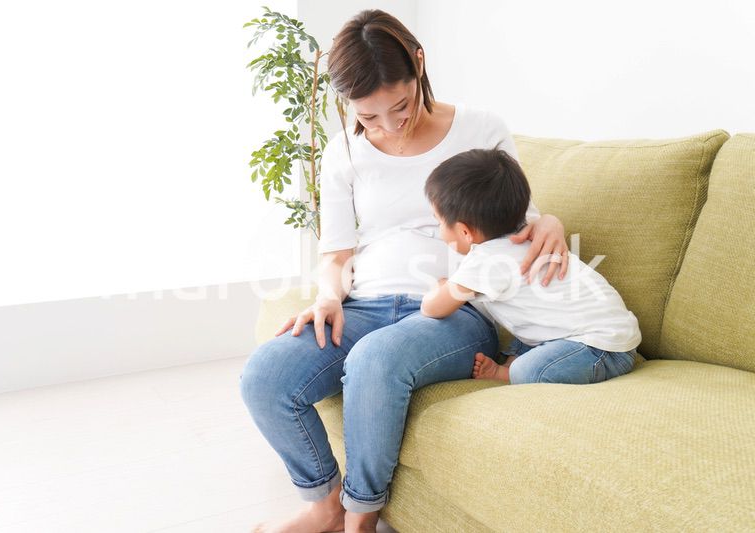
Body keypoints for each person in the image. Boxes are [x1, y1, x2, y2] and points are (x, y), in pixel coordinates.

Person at [239, 9, 571, 533]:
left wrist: (549, 219)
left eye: (400, 105)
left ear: (419, 64)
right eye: (368, 117)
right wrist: (328, 298)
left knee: (375, 360)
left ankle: (359, 518)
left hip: (453, 315)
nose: (390, 127)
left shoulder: (481, 128)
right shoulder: (343, 149)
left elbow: (518, 218)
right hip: (364, 306)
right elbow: (337, 253)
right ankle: (322, 507)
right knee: (266, 376)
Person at [421, 148, 641, 385]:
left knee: (529, 371)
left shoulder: (486, 260)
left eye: (439, 221)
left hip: (600, 348)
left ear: (465, 232)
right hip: (602, 335)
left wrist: (441, 286)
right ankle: (512, 363)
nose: (438, 229)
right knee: (529, 323)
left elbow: (434, 309)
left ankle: (507, 373)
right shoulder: (530, 236)